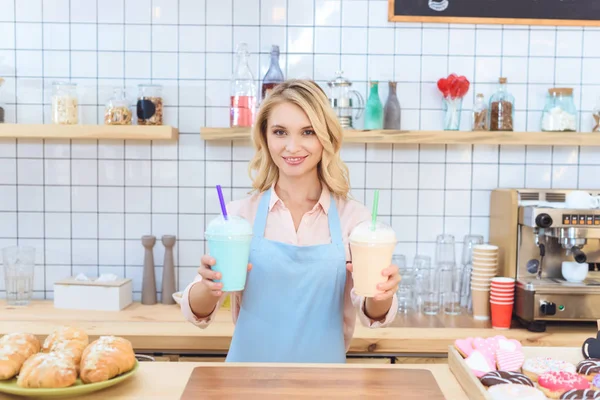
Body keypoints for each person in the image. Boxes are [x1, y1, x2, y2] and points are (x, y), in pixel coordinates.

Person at [181, 79, 400, 363]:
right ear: (265, 137)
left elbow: (373, 315)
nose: (292, 146)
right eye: (280, 132)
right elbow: (197, 313)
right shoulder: (237, 218)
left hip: (324, 385)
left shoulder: (354, 220)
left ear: (326, 137)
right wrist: (209, 288)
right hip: (248, 383)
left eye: (307, 132)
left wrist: (382, 295)